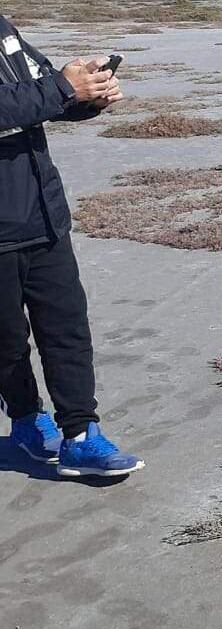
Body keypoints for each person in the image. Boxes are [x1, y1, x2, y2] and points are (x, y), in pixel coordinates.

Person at [0, 14, 143, 477]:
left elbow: (42, 90)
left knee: (67, 328)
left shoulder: (3, 29)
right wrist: (64, 89)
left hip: (43, 213)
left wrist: (88, 95)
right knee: (5, 341)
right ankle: (25, 420)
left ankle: (81, 435)